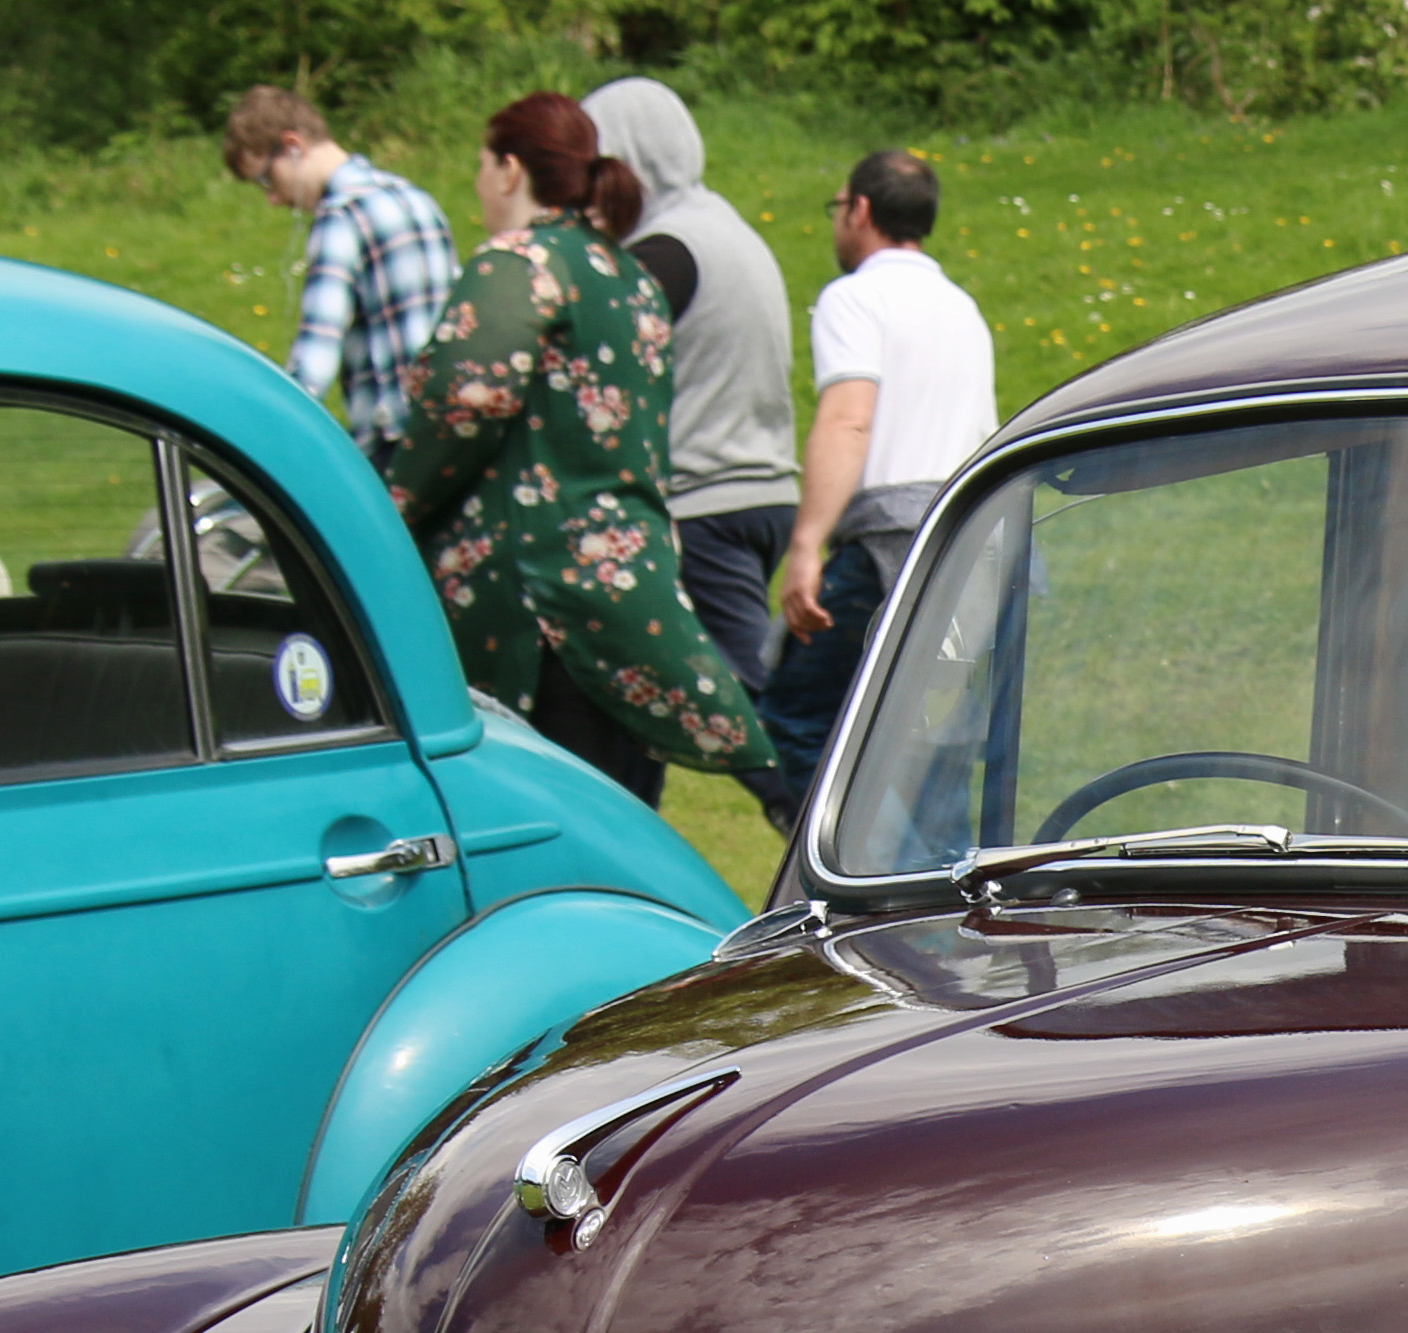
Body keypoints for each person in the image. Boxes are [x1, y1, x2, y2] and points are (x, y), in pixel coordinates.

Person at [386, 92, 776, 808]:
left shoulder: (518, 263)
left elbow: (467, 399)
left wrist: (390, 508)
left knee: (536, 824)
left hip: (536, 608)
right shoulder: (628, 276)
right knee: (617, 820)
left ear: (510, 170)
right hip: (630, 600)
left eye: (482, 165)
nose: (477, 184)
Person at [757, 147, 996, 809]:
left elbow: (848, 418)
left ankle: (849, 863)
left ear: (860, 210)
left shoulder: (855, 298)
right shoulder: (962, 308)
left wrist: (807, 546)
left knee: (796, 716)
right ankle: (932, 869)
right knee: (937, 751)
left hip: (889, 542)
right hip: (976, 538)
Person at [583, 77, 800, 698]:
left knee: (741, 700)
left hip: (706, 500)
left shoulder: (666, 253)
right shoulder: (722, 227)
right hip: (762, 490)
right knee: (674, 693)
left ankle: (816, 768)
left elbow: (595, 367)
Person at [223, 85, 457, 463]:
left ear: (293, 146)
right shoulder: (414, 197)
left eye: (268, 179)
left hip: (395, 442)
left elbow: (315, 357)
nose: (273, 199)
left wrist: (264, 441)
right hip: (449, 425)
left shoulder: (342, 216)